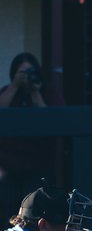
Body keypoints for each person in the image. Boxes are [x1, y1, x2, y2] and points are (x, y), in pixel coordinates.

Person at [0, 54, 65, 217]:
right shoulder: (8, 92)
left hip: (38, 163)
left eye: (30, 71)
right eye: (22, 72)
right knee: (7, 208)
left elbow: (51, 120)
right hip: (8, 165)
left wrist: (35, 91)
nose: (26, 76)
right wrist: (15, 86)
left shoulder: (48, 93)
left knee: (34, 209)